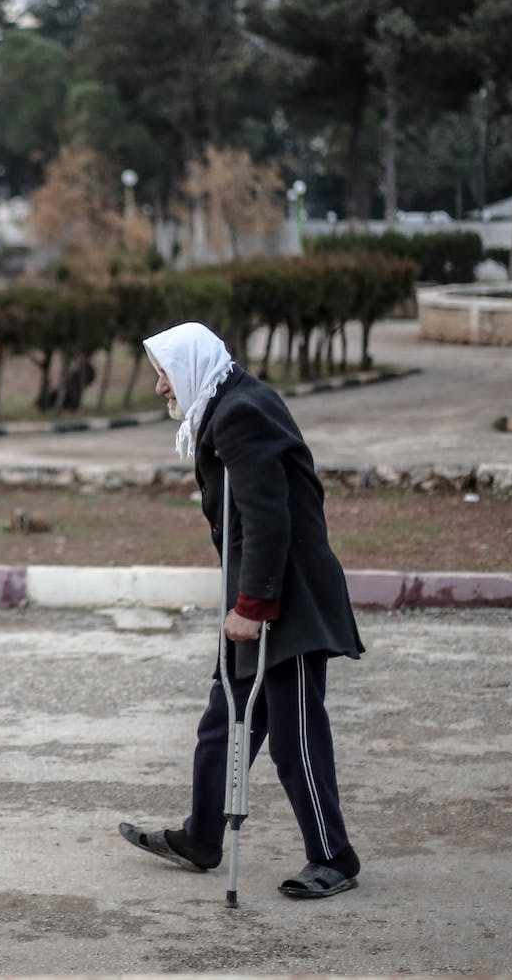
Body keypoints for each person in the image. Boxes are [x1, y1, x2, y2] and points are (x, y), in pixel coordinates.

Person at [118, 320, 365, 899]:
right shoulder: (227, 403)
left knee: (294, 733)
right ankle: (201, 837)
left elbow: (269, 516)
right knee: (223, 721)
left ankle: (334, 857)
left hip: (290, 599)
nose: (160, 388)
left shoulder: (238, 413)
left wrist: (253, 606)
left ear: (190, 365)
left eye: (163, 373)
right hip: (258, 595)